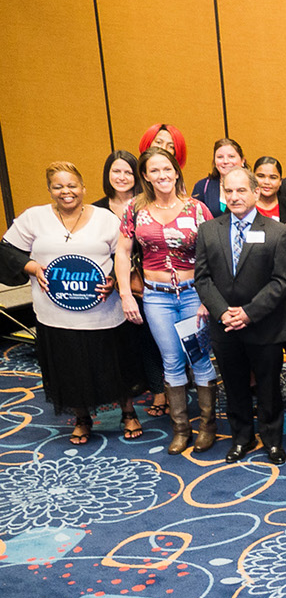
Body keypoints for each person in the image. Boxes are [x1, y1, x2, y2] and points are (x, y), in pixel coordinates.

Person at [0, 162, 144, 443]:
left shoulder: (105, 219)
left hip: (103, 311)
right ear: (50, 190)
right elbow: (7, 250)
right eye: (58, 186)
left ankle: (128, 413)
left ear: (83, 187)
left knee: (113, 364)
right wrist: (32, 267)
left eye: (72, 185)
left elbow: (125, 256)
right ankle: (82, 418)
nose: (66, 191)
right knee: (68, 367)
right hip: (54, 314)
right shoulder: (34, 218)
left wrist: (115, 280)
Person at [115, 147, 217, 455]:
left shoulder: (197, 209)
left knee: (199, 358)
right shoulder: (134, 208)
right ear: (145, 176)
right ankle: (181, 428)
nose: (162, 175)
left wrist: (209, 299)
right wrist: (124, 294)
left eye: (167, 169)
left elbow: (214, 256)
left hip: (192, 294)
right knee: (171, 361)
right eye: (154, 170)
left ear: (176, 171)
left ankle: (208, 426)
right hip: (156, 298)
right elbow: (122, 252)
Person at [193, 166, 286, 464]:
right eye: (229, 191)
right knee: (234, 386)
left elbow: (282, 281)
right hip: (224, 325)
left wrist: (248, 313)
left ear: (255, 192)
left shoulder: (278, 232)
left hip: (265, 325)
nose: (234, 197)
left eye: (241, 190)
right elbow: (202, 278)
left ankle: (272, 441)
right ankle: (241, 438)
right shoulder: (208, 230)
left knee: (268, 388)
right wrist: (223, 312)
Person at [97, 151, 167, 423]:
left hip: (144, 284)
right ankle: (130, 388)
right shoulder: (95, 209)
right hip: (106, 286)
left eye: (128, 172)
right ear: (108, 175)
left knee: (150, 337)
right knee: (120, 342)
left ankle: (159, 390)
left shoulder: (146, 205)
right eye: (116, 171)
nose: (122, 177)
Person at [191, 138, 245, 218]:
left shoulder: (253, 186)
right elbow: (194, 217)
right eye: (220, 157)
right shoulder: (202, 186)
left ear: (242, 161)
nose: (225, 161)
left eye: (231, 156)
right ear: (214, 162)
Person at [252, 156, 283, 221]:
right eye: (261, 176)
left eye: (273, 177)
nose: (266, 182)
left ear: (280, 181)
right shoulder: (245, 206)